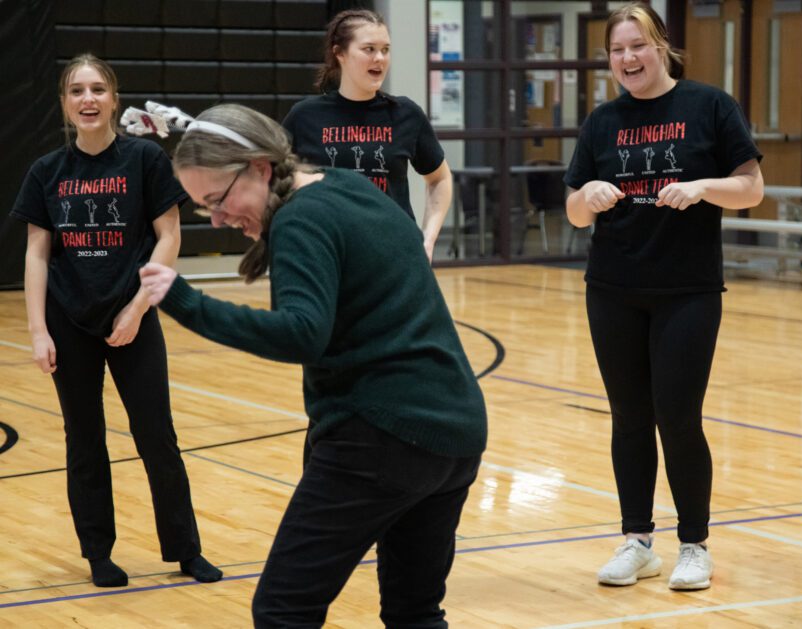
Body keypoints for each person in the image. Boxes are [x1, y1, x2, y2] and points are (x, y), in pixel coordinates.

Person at [134, 102, 487, 628]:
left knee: (283, 611)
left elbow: (303, 333)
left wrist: (186, 302)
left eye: (218, 200)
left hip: (383, 436)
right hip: (454, 432)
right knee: (416, 613)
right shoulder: (345, 184)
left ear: (259, 167)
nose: (219, 219)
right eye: (203, 208)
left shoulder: (302, 217)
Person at [563, 3, 763, 591]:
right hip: (613, 288)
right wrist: (590, 194)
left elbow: (752, 189)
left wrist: (702, 187)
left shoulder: (709, 105)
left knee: (678, 417)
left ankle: (694, 544)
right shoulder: (602, 121)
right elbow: (574, 211)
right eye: (617, 50)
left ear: (662, 46)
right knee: (628, 418)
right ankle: (637, 541)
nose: (628, 58)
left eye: (638, 46)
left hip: (687, 290)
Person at [9, 54, 221, 587]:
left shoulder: (144, 158)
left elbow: (169, 236)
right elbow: (37, 254)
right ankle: (98, 554)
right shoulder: (46, 172)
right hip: (67, 321)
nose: (88, 99)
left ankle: (185, 550)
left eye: (98, 89)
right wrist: (38, 331)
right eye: (77, 90)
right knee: (84, 440)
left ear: (114, 99)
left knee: (157, 437)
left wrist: (138, 308)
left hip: (133, 317)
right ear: (64, 103)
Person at [283, 8, 452, 262]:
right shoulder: (305, 116)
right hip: (327, 252)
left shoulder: (406, 114)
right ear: (339, 53)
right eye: (369, 49)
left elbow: (440, 179)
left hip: (394, 254)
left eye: (385, 49)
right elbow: (275, 181)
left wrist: (427, 241)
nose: (380, 58)